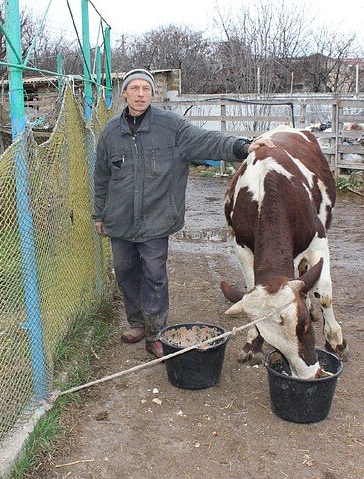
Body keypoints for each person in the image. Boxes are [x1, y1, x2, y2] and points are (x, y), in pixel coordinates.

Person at [92, 68, 266, 359]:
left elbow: (207, 140)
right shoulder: (110, 133)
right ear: (124, 94)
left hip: (156, 218)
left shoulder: (171, 126)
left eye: (145, 89)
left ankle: (155, 332)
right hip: (119, 218)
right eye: (133, 88)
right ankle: (137, 322)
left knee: (154, 274)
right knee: (125, 271)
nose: (140, 94)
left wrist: (243, 146)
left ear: (152, 93)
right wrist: (99, 215)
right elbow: (100, 178)